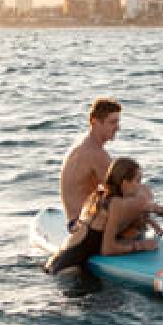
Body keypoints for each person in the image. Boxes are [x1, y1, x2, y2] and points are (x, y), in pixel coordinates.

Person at [45, 157, 163, 275]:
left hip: (59, 262)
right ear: (124, 183)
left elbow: (136, 208)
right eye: (137, 180)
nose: (140, 186)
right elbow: (107, 249)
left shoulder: (103, 195)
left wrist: (154, 216)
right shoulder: (115, 203)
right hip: (67, 268)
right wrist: (141, 246)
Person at [59, 97, 123, 228]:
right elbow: (122, 192)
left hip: (74, 222)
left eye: (118, 122)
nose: (118, 128)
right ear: (95, 122)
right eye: (113, 122)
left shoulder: (83, 144)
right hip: (84, 228)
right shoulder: (95, 154)